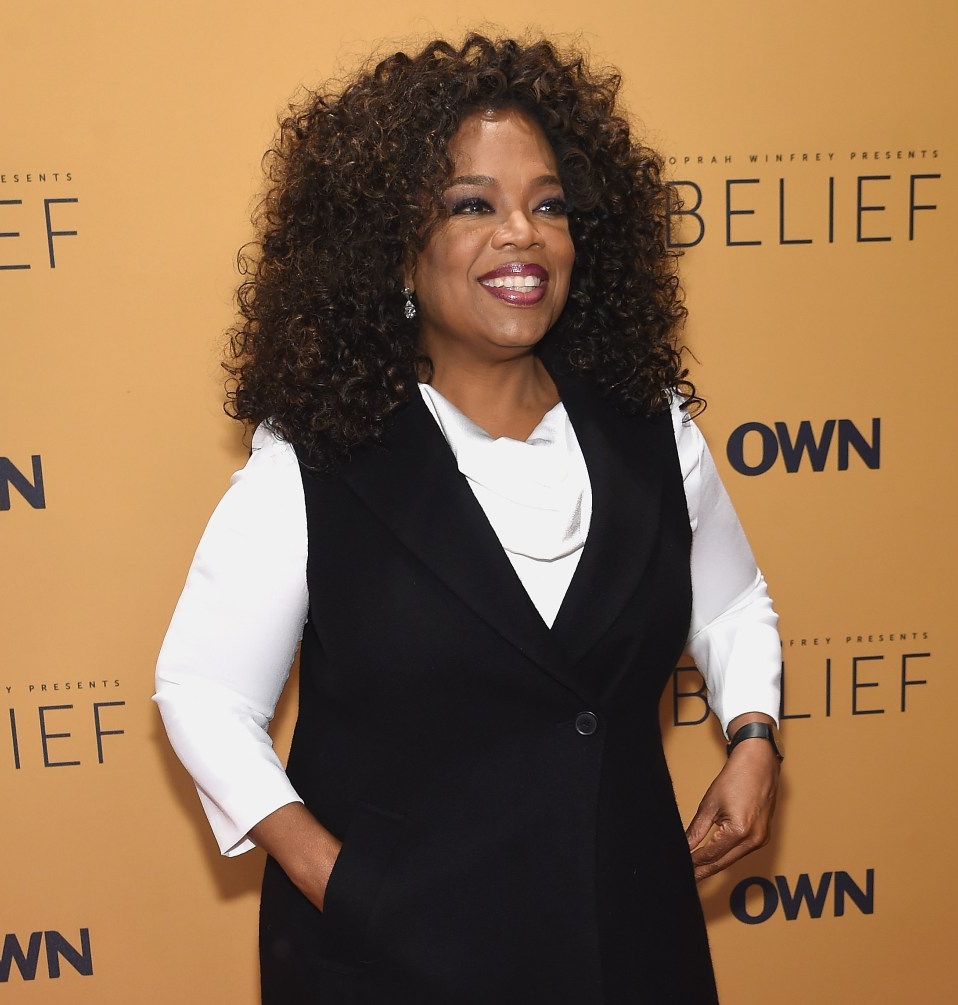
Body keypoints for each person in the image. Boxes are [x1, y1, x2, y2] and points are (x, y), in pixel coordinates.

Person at [154, 34, 783, 1005]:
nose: (521, 233)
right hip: (399, 964)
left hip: (629, 942)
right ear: (394, 250)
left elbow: (734, 605)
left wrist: (752, 736)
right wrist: (342, 884)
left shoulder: (652, 433)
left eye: (548, 205)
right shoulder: (314, 467)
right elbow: (202, 693)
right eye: (472, 205)